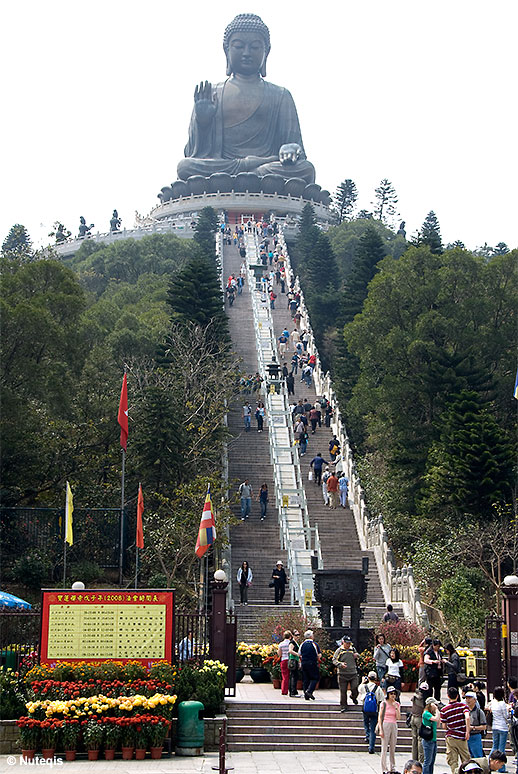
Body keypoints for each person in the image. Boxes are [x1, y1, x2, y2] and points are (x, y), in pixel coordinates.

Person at [439, 686, 471, 774]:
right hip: (462, 736)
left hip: (451, 736)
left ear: (448, 696)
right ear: (457, 696)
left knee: (452, 760)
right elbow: (467, 717)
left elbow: (444, 726)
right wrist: (467, 732)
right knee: (466, 759)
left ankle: (455, 772)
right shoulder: (463, 706)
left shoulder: (444, 710)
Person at [358, 671, 384, 754]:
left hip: (365, 709)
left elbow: (359, 690)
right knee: (373, 728)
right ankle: (371, 747)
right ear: (376, 679)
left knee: (366, 723)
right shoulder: (378, 688)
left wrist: (362, 682)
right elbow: (381, 700)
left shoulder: (363, 687)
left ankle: (367, 735)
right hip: (374, 710)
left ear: (368, 678)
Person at [377, 685, 401, 774]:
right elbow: (379, 717)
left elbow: (398, 717)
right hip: (385, 724)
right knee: (384, 747)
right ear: (388, 694)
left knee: (392, 747)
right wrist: (380, 729)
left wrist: (396, 707)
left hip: (394, 725)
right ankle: (384, 768)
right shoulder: (383, 703)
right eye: (391, 694)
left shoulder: (397, 704)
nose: (393, 696)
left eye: (394, 694)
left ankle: (392, 766)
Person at [332, 636, 359, 711]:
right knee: (343, 691)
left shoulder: (352, 649)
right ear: (343, 642)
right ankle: (343, 706)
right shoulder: (339, 650)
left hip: (353, 672)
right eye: (347, 643)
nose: (348, 645)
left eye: (349, 643)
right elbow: (334, 660)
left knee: (355, 687)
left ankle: (354, 696)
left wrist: (356, 655)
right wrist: (340, 664)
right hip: (342, 674)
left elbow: (357, 655)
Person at [488, 686, 509, 772]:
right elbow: (506, 716)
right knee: (501, 748)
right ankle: (501, 768)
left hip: (495, 726)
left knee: (494, 746)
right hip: (503, 727)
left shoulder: (493, 702)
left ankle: (489, 763)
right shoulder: (502, 703)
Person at [409, 682, 428, 764]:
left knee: (414, 740)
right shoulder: (424, 698)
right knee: (420, 740)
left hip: (413, 718)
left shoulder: (414, 696)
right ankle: (421, 759)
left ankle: (414, 758)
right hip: (419, 719)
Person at [299, 630, 321, 700]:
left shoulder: (302, 644)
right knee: (315, 678)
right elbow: (318, 654)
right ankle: (309, 691)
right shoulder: (314, 644)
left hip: (304, 663)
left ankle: (306, 695)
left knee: (306, 679)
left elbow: (299, 654)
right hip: (312, 663)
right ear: (311, 636)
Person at [465, 690, 487, 758]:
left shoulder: (479, 712)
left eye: (469, 698)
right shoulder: (464, 711)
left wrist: (473, 727)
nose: (468, 700)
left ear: (475, 700)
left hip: (475, 736)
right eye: (466, 698)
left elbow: (484, 727)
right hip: (466, 736)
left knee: (477, 756)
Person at [421, 696, 440, 774]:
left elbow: (438, 723)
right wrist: (437, 710)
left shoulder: (432, 714)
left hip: (433, 740)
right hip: (428, 740)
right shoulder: (426, 713)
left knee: (432, 761)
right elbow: (435, 719)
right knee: (427, 761)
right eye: (435, 704)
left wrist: (437, 713)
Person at [277, 630, 292, 696]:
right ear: (290, 637)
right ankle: (291, 690)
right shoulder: (291, 643)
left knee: (285, 676)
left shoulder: (281, 644)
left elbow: (279, 654)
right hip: (291, 660)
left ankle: (284, 690)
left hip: (283, 660)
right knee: (292, 676)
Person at [288, 630, 301, 697]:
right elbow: (290, 650)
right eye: (296, 635)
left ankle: (294, 691)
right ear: (292, 635)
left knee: (294, 676)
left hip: (295, 660)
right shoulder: (292, 642)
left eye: (298, 635)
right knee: (293, 676)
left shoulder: (295, 642)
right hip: (293, 660)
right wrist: (298, 654)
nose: (298, 636)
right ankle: (293, 691)